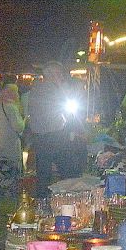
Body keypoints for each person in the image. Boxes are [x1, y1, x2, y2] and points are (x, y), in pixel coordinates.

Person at [23, 61, 84, 196]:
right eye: (60, 74)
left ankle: (42, 204)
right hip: (54, 136)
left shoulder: (36, 89)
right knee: (69, 172)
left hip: (41, 137)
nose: (62, 77)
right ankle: (68, 200)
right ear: (52, 74)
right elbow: (68, 107)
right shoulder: (52, 89)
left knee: (44, 174)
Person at [0, 82, 25, 197]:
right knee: (10, 176)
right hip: (10, 147)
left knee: (0, 175)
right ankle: (9, 198)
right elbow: (18, 126)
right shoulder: (12, 108)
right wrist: (25, 121)